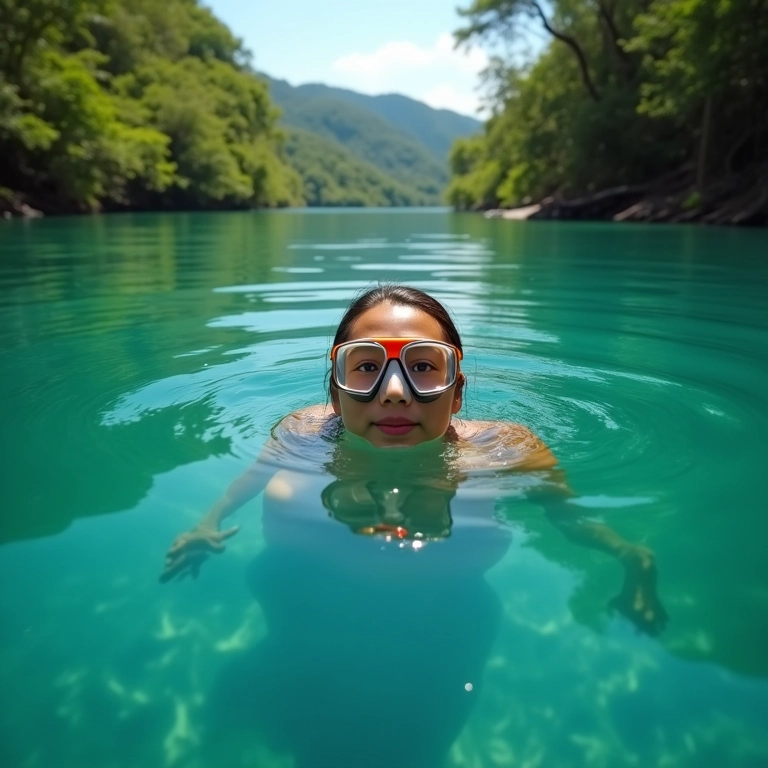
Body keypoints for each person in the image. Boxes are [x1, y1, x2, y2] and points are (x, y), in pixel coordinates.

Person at [162, 283, 665, 635]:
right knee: (284, 493)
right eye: (366, 368)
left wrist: (632, 559)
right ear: (335, 393)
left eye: (424, 366)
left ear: (459, 392)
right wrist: (207, 523)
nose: (397, 392)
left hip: (457, 600)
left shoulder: (509, 449)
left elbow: (570, 519)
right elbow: (250, 480)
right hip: (322, 599)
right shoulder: (302, 429)